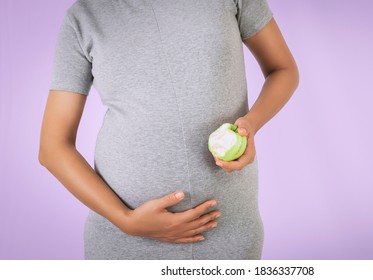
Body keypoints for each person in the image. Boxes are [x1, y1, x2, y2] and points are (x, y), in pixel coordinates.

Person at [39, 0, 299, 260]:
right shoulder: (84, 17)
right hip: (124, 241)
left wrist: (251, 123)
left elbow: (283, 69)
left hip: (229, 232)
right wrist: (126, 220)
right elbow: (53, 147)